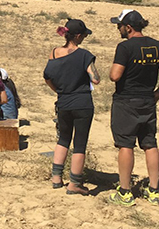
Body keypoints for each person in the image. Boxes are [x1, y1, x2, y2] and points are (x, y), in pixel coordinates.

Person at [107, 9, 159, 207]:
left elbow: (115, 76)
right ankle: (154, 190)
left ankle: (124, 192)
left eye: (119, 25)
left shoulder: (125, 47)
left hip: (126, 102)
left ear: (128, 27)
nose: (118, 28)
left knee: (125, 145)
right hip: (148, 101)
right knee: (150, 144)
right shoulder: (157, 46)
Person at [44, 19, 100, 195]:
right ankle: (74, 183)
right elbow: (96, 79)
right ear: (77, 36)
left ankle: (56, 178)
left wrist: (59, 90)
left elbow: (47, 77)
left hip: (63, 102)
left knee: (63, 139)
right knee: (80, 144)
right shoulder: (84, 55)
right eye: (83, 35)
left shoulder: (54, 53)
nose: (84, 38)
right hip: (82, 103)